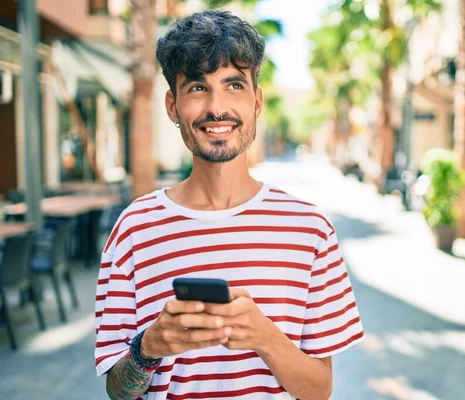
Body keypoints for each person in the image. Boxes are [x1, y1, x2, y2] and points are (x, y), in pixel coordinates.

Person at [95, 10, 364, 400]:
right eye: (197, 88)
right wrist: (148, 348)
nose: (216, 108)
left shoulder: (310, 229)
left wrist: (265, 337)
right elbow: (117, 392)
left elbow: (319, 390)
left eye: (234, 85)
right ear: (173, 106)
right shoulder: (133, 229)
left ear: (256, 101)